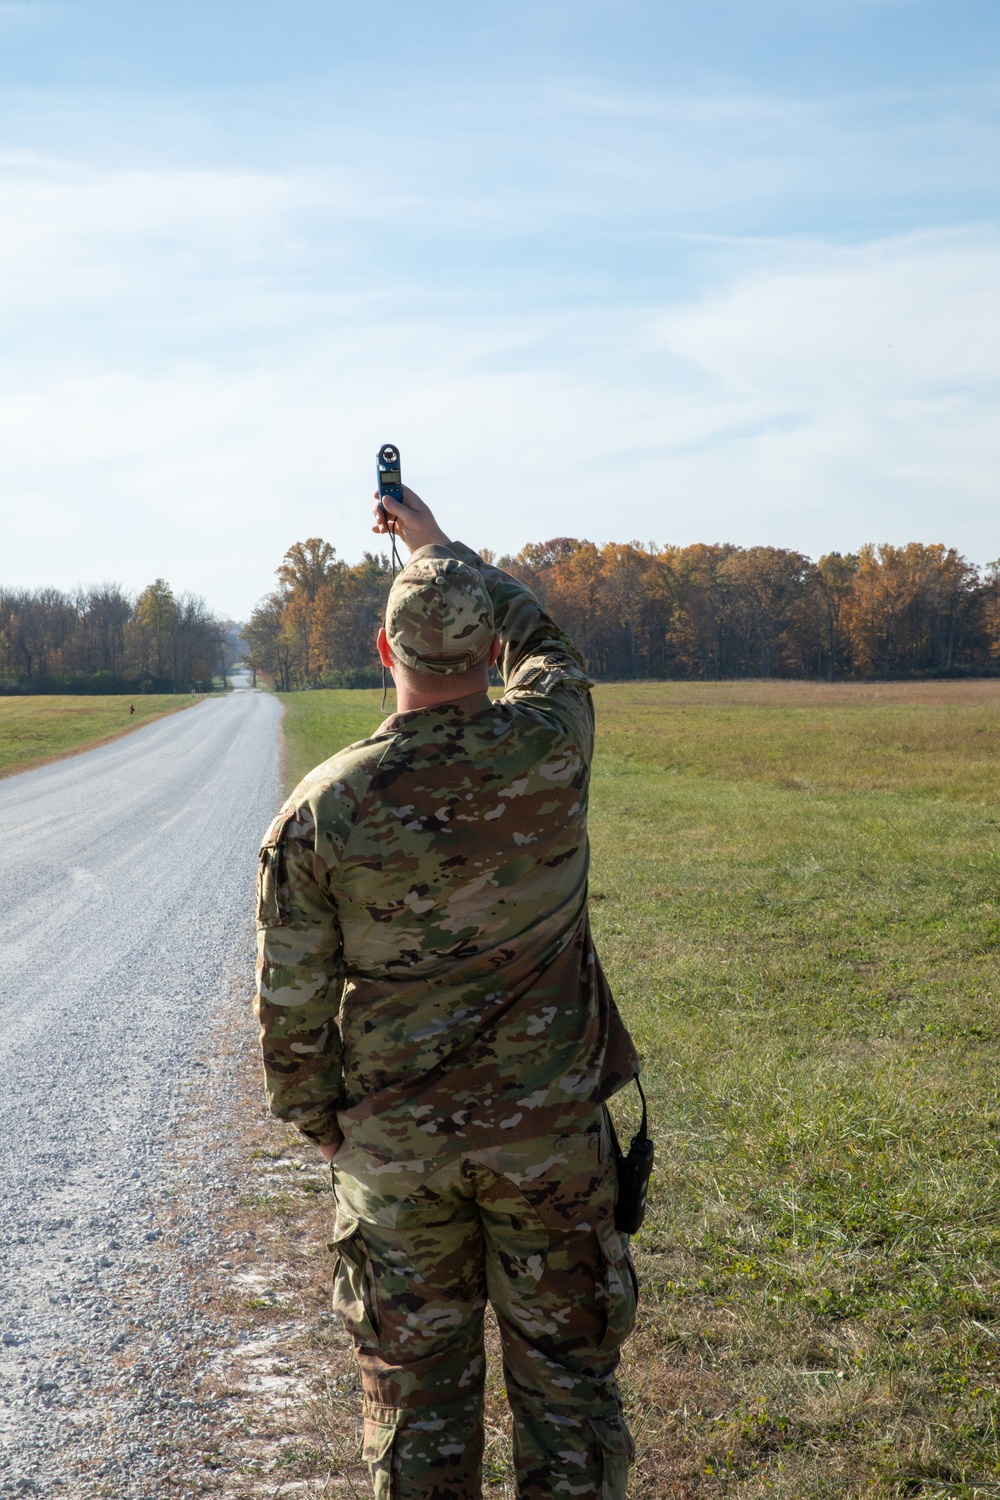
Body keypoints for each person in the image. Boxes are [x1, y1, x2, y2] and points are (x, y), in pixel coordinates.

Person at [254, 486, 641, 1500]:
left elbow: (289, 1007)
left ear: (385, 657)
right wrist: (442, 550)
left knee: (417, 1418)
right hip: (550, 1140)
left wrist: (323, 1128)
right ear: (487, 656)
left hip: (396, 1155)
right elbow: (549, 646)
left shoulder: (325, 807)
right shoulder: (550, 743)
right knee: (570, 1403)